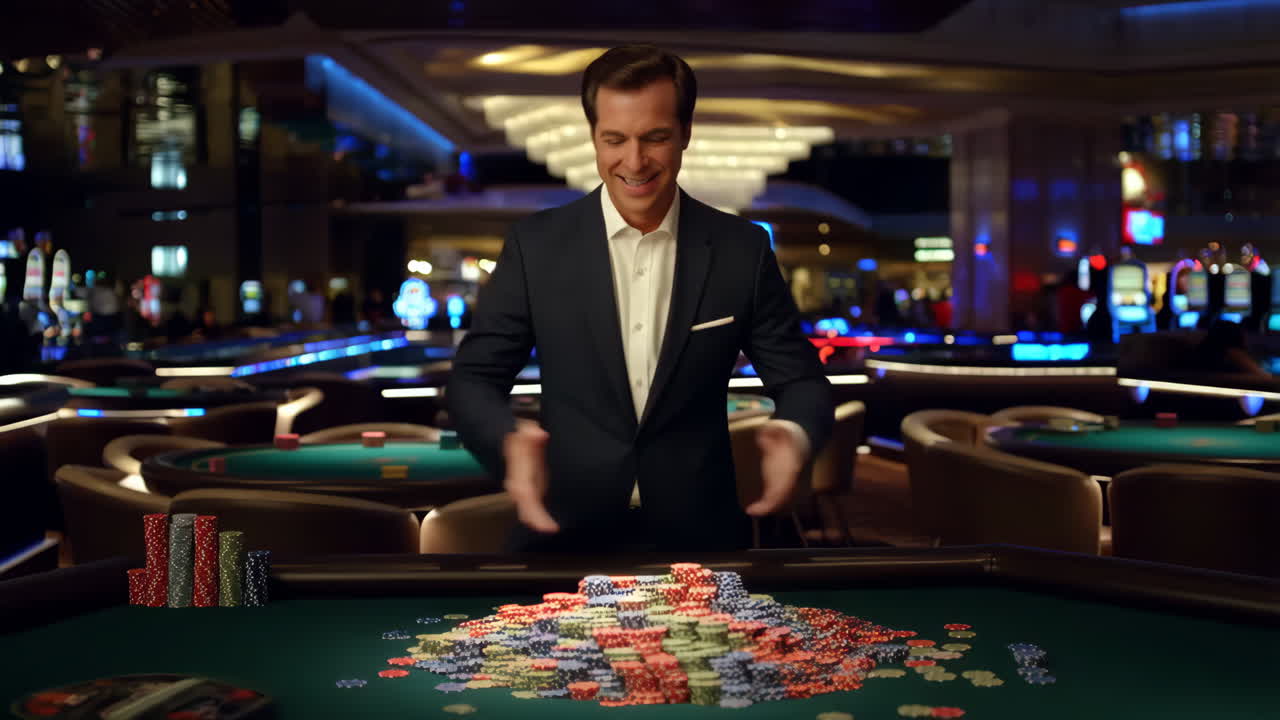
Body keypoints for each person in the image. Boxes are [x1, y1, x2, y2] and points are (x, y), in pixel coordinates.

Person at [447, 45, 833, 552]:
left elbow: (803, 381)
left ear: (686, 134)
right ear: (593, 137)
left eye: (655, 138)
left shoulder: (742, 250)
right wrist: (506, 440)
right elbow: (473, 379)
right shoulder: (534, 245)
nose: (634, 162)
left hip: (701, 541)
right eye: (614, 140)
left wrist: (794, 432)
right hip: (562, 536)